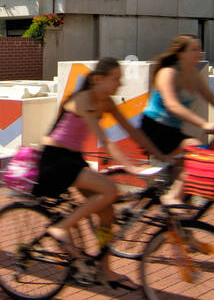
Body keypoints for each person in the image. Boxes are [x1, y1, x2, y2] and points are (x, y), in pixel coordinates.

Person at [41, 57, 163, 288]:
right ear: (98, 79)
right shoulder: (84, 99)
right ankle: (60, 227)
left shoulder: (106, 102)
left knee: (107, 214)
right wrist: (133, 167)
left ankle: (105, 270)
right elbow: (106, 142)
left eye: (120, 79)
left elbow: (133, 132)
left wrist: (161, 155)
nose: (119, 84)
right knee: (110, 190)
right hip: (55, 158)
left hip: (73, 159)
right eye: (115, 79)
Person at [139, 34, 214, 204]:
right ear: (181, 53)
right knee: (197, 151)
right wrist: (204, 123)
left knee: (200, 157)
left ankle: (174, 213)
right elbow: (172, 105)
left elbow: (210, 96)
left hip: (172, 130)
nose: (199, 53)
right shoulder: (168, 73)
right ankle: (171, 199)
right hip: (154, 128)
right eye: (194, 49)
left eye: (199, 49)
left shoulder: (193, 75)